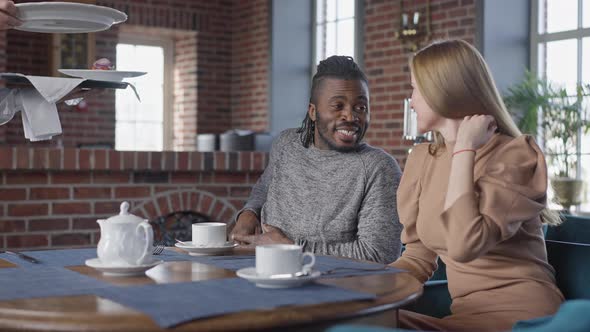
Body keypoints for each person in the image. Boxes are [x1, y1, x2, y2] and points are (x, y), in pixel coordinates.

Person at [390, 39, 564, 331]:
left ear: (442, 90)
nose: (412, 100)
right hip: (464, 318)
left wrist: (464, 148)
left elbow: (463, 244)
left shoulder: (515, 155)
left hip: (523, 317)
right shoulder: (422, 159)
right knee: (349, 324)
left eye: (415, 89)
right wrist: (353, 288)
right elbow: (418, 258)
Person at [230, 55, 403, 264]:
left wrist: (291, 249)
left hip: (330, 284)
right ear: (313, 111)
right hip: (261, 268)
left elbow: (379, 254)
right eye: (338, 106)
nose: (350, 116)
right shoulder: (286, 143)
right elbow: (265, 188)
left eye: (361, 107)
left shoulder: (379, 168)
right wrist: (249, 212)